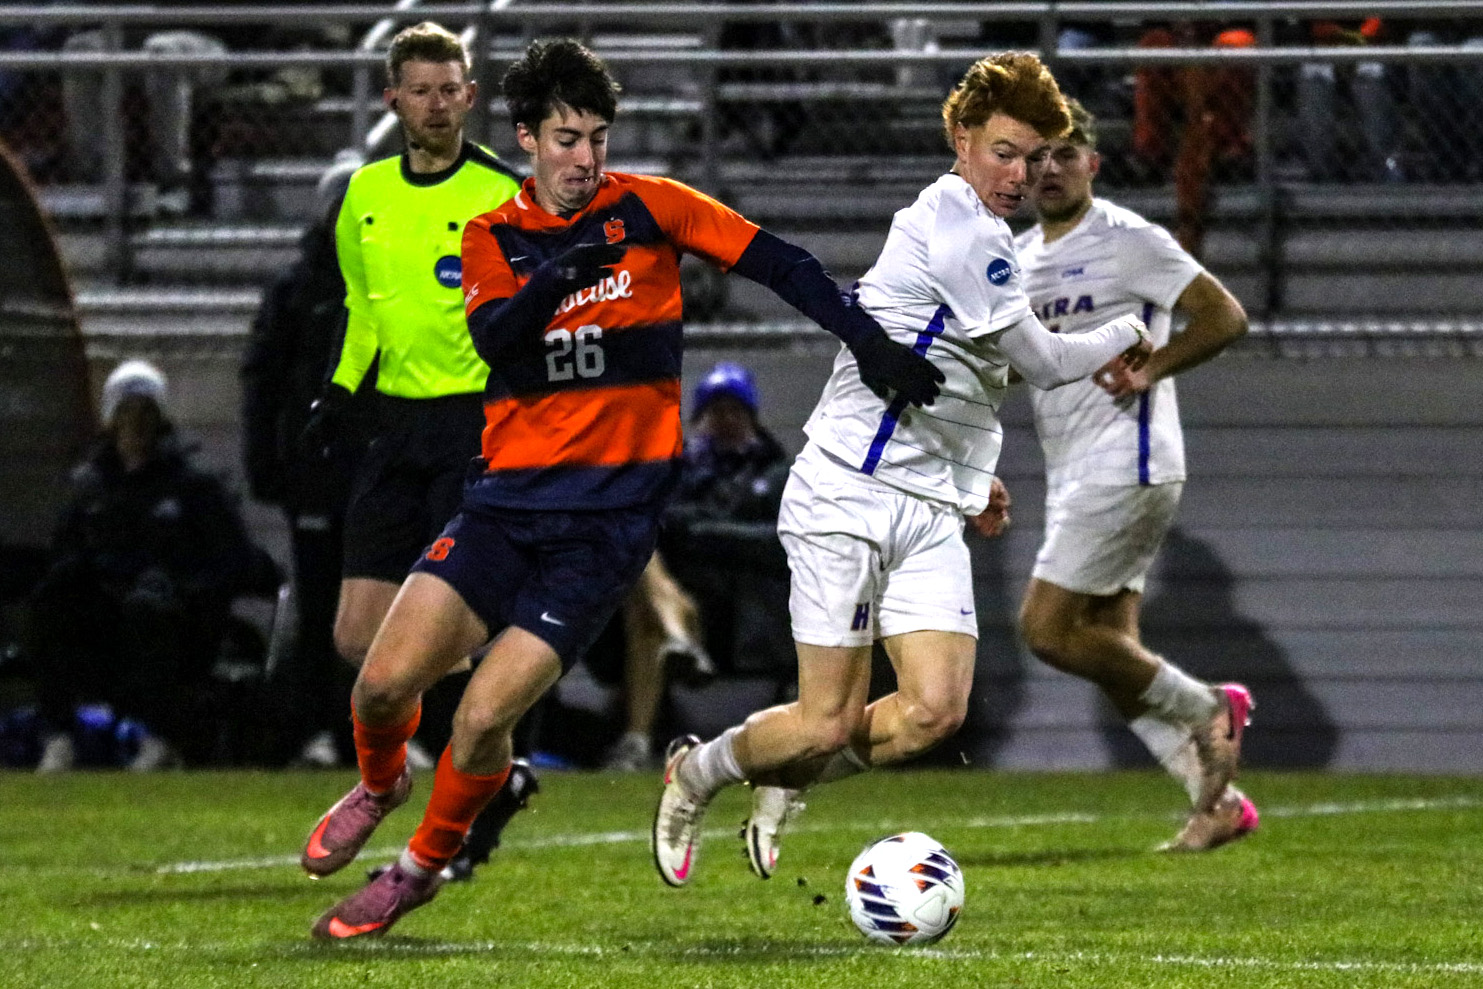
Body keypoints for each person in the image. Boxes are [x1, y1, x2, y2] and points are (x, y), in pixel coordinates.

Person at [299, 36, 942, 939]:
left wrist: (867, 341)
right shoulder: (492, 235)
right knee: (378, 686)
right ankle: (378, 784)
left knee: (481, 718)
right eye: (567, 137)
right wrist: (560, 271)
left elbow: (777, 260)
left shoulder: (648, 208)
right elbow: (497, 343)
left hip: (602, 525)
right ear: (525, 137)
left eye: (597, 136)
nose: (586, 157)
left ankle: (417, 868)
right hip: (504, 502)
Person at [651, 51, 1153, 888]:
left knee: (931, 712)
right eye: (1003, 150)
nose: (1019, 173)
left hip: (924, 499)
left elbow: (964, 369)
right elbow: (1044, 358)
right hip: (847, 490)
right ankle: (696, 772)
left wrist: (969, 477)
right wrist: (1127, 328)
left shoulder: (982, 234)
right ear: (960, 139)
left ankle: (789, 776)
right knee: (823, 719)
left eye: (1033, 158)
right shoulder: (955, 221)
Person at [299, 21, 536, 879]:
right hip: (393, 429)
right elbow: (365, 309)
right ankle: (433, 773)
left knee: (453, 642)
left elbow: (532, 320)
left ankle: (475, 788)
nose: (438, 105)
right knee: (356, 635)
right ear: (393, 100)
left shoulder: (502, 193)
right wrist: (337, 391)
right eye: (421, 90)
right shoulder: (362, 192)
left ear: (471, 97)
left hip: (474, 430)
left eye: (452, 89)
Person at [1013, 99, 1255, 851]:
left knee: (1044, 631)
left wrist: (1154, 366)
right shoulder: (1017, 259)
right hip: (1071, 466)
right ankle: (1215, 803)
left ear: (1093, 162)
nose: (1048, 168)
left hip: (1129, 461)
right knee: (1115, 653)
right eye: (1034, 157)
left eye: (1064, 153)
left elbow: (1223, 315)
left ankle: (1208, 704)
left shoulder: (1125, 239)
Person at [31, 360, 259, 772]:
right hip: (105, 617)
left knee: (149, 613)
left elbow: (234, 561)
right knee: (53, 603)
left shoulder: (194, 485)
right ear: (110, 419)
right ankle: (59, 736)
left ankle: (161, 736)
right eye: (126, 412)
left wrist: (181, 586)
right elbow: (65, 555)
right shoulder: (90, 485)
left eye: (145, 413)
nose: (135, 424)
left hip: (171, 618)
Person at [240, 160, 363, 769]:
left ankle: (378, 730)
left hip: (373, 474)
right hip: (316, 475)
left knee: (382, 607)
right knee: (319, 608)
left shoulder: (390, 281)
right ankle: (317, 726)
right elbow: (263, 380)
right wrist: (265, 460)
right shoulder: (296, 291)